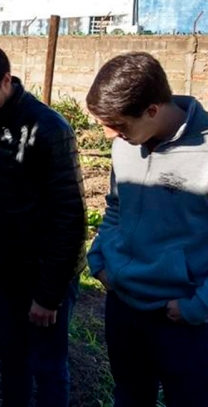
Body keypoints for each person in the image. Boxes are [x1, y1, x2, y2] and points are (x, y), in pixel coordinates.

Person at [0, 38, 86, 407]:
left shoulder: (50, 129)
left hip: (46, 273)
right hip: (10, 272)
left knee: (48, 363)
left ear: (7, 80)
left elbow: (70, 217)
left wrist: (48, 295)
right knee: (11, 354)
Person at [85, 52, 208, 407]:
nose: (111, 134)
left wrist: (197, 306)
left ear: (152, 110)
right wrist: (100, 257)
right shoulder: (125, 146)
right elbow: (115, 207)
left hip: (181, 320)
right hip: (123, 305)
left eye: (119, 125)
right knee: (129, 396)